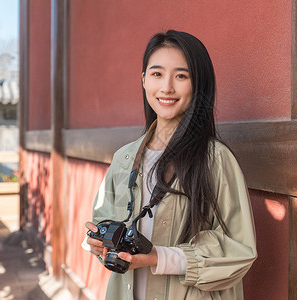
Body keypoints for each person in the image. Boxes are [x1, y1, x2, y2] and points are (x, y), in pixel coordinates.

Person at [83, 30, 257, 300]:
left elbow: (240, 250)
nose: (166, 88)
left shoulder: (215, 159)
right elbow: (103, 225)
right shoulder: (124, 159)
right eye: (156, 74)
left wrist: (158, 257)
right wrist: (100, 243)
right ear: (143, 80)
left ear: (198, 84)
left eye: (181, 76)